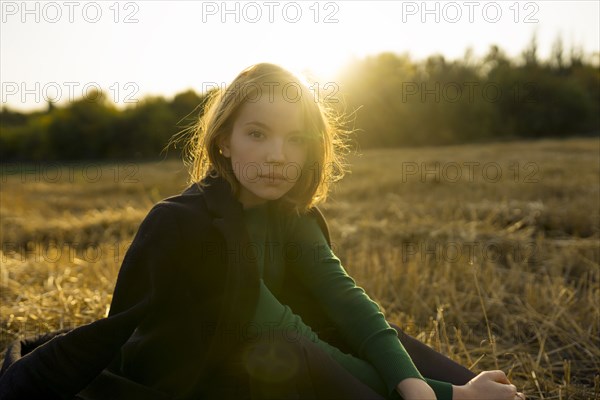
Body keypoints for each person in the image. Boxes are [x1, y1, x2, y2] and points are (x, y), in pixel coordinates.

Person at [0, 63, 525, 400]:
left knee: (377, 338)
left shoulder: (288, 214)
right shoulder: (185, 224)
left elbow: (346, 301)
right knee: (289, 348)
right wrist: (444, 396)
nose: (278, 155)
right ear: (225, 140)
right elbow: (284, 331)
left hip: (268, 361)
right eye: (258, 134)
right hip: (194, 376)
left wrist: (444, 383)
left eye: (295, 139)